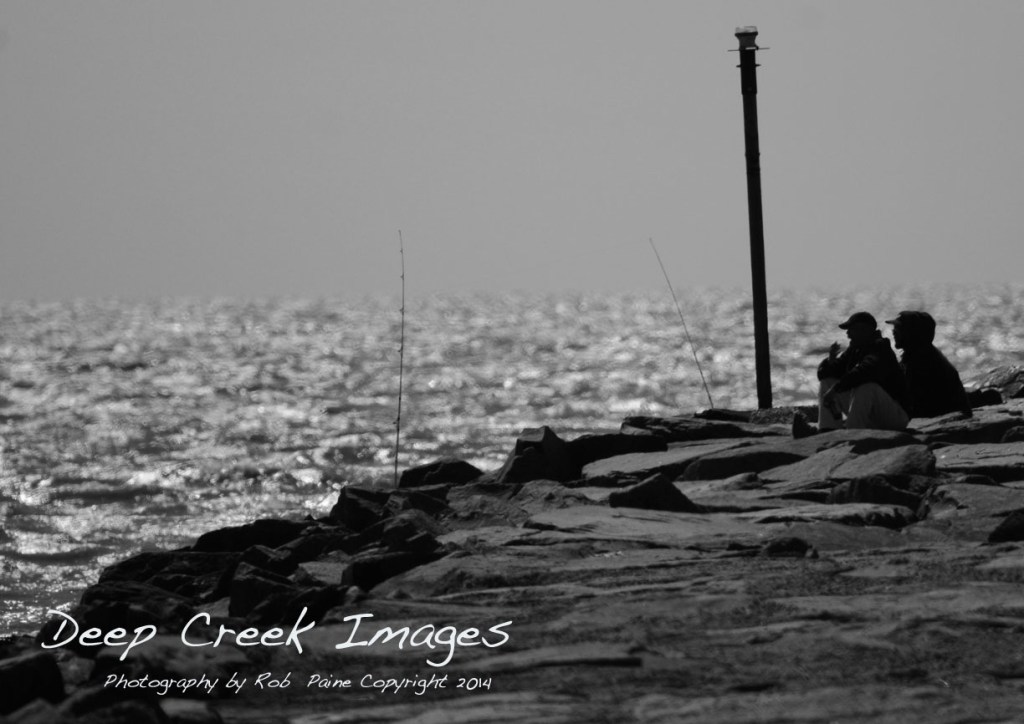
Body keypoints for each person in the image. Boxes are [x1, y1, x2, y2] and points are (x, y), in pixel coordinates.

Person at [815, 311, 910, 431]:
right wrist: (830, 360)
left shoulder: (881, 347)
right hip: (872, 417)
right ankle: (828, 430)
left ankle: (852, 433)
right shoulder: (855, 349)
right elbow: (826, 374)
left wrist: (836, 389)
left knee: (867, 387)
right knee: (827, 382)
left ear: (865, 331)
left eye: (851, 329)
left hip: (895, 417)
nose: (848, 334)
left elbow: (865, 370)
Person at [886, 310, 972, 418]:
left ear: (912, 333)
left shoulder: (924, 363)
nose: (893, 331)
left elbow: (916, 404)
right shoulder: (917, 356)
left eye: (899, 328)